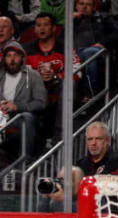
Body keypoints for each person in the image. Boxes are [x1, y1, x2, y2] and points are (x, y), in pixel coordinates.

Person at [0, 41, 47, 158]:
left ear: (22, 57)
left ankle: (25, 160)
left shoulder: (33, 75)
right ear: (4, 58)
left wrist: (17, 106)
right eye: (9, 56)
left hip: (22, 117)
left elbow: (41, 103)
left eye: (16, 56)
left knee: (26, 118)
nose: (12, 59)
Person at [24, 12, 81, 143]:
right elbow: (20, 73)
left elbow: (77, 70)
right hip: (35, 91)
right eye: (38, 25)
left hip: (57, 89)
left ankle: (60, 135)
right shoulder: (26, 49)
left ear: (54, 28)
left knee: (69, 84)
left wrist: (57, 76)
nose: (42, 28)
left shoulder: (65, 48)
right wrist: (38, 78)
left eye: (45, 25)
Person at [74, 0, 118, 95]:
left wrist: (102, 43)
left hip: (99, 53)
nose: (84, 7)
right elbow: (60, 41)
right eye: (81, 4)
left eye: (88, 4)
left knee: (90, 52)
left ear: (94, 7)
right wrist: (70, 22)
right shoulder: (71, 20)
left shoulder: (104, 18)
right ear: (76, 6)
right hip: (76, 54)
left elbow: (117, 34)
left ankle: (90, 92)